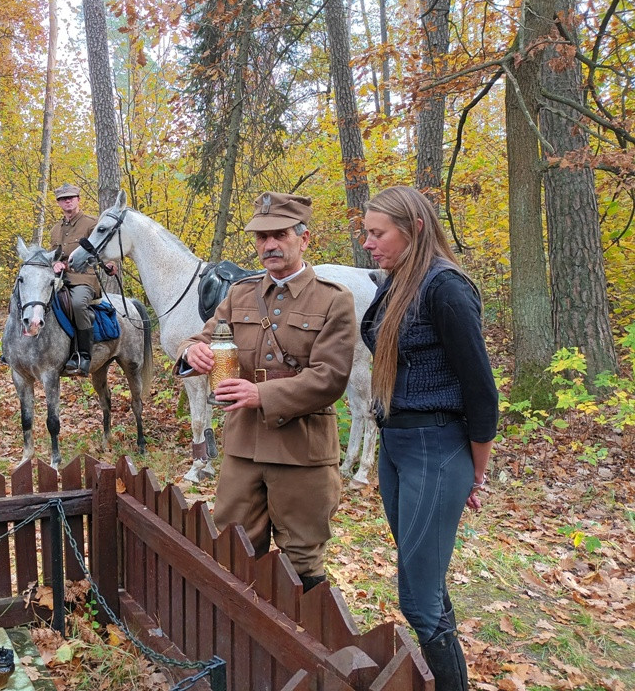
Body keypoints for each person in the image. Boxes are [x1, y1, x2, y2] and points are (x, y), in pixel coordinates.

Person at [176, 192, 356, 592]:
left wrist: (262, 394)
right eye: (261, 237)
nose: (269, 245)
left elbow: (330, 377)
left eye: (279, 235)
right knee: (233, 550)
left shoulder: (333, 299)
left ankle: (304, 645)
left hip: (302, 452)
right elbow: (199, 338)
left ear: (304, 239)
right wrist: (193, 351)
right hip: (243, 448)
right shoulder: (241, 293)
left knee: (302, 563)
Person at [360, 185, 497, 691]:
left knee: (417, 598)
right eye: (366, 233)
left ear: (414, 227)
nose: (368, 243)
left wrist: (475, 471)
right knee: (426, 583)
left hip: (436, 450)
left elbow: (482, 392)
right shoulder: (398, 282)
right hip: (397, 448)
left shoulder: (446, 288)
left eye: (378, 233)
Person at [49, 183, 116, 376]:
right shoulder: (55, 229)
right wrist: (55, 263)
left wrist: (111, 264)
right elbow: (53, 255)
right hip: (58, 278)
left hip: (84, 278)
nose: (67, 201)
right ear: (59, 203)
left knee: (78, 304)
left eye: (71, 197)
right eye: (63, 198)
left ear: (78, 199)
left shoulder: (91, 223)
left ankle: (84, 356)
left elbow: (104, 248)